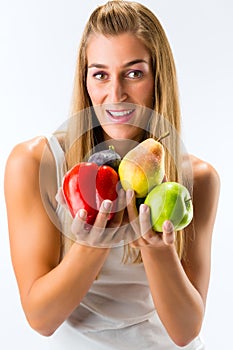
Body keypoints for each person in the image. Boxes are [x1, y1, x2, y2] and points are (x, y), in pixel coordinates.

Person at [4, 1, 220, 349]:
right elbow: (40, 319)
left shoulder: (197, 177)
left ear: (157, 78)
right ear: (85, 79)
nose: (115, 94)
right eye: (100, 74)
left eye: (134, 73)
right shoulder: (36, 163)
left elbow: (186, 331)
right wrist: (91, 245)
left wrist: (157, 251)